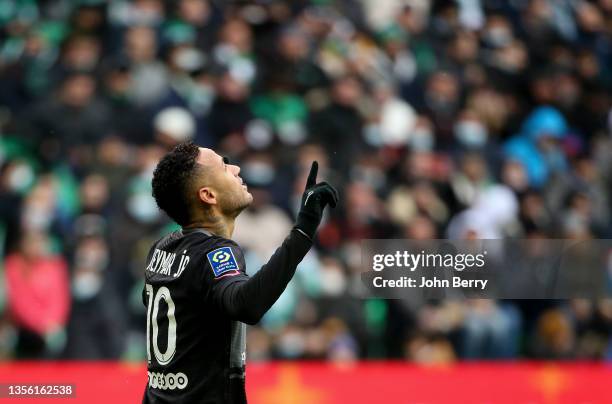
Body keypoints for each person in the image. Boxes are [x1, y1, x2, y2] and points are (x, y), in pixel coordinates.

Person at [142, 141, 338, 403]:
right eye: (224, 166)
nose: (235, 168)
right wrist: (303, 231)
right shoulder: (216, 252)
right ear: (208, 195)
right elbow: (246, 305)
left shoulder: (162, 248)